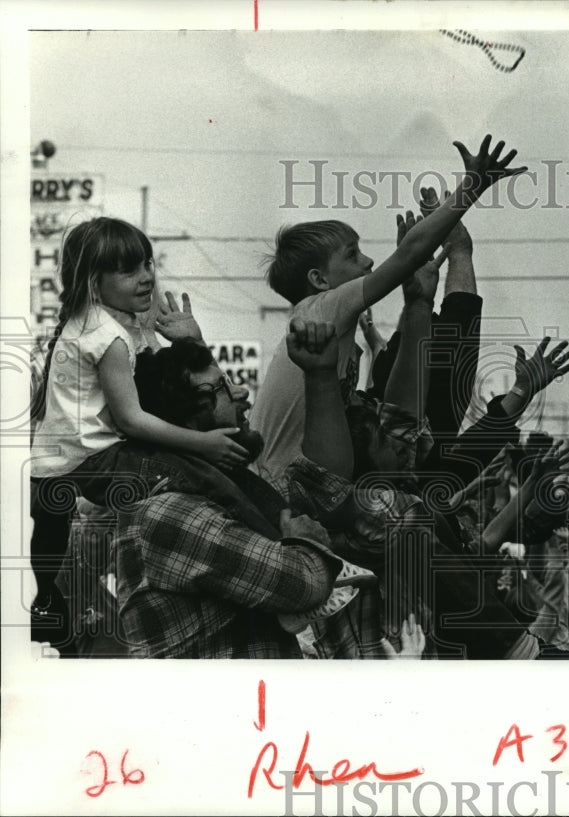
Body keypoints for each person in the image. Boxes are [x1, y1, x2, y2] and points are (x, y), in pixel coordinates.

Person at [28, 217, 248, 651]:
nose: (147, 275)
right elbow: (131, 419)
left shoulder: (84, 323)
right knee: (205, 479)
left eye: (147, 263)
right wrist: (204, 442)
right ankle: (273, 550)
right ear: (95, 283)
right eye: (130, 270)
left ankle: (50, 609)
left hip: (56, 467)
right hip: (93, 460)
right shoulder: (110, 337)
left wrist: (159, 335)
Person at [252, 134, 526, 477]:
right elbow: (407, 254)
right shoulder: (319, 309)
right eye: (352, 255)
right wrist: (472, 187)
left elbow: (399, 417)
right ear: (319, 280)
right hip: (281, 487)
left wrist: (419, 303)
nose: (368, 262)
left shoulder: (335, 342)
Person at [112, 320, 373, 658]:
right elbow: (304, 583)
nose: (242, 394)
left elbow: (330, 485)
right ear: (188, 422)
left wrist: (320, 374)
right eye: (223, 387)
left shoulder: (226, 490)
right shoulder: (167, 512)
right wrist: (307, 542)